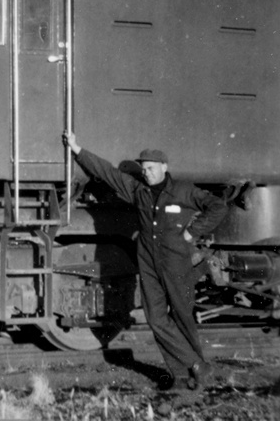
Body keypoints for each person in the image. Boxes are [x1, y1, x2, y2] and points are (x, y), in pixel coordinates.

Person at [62, 131, 228, 391]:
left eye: (151, 168)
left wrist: (192, 232)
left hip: (177, 264)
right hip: (149, 263)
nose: (147, 173)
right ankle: (196, 366)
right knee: (157, 320)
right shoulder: (139, 191)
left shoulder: (184, 190)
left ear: (164, 167)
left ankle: (185, 378)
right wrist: (77, 149)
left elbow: (218, 206)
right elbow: (107, 172)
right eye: (144, 169)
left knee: (183, 317)